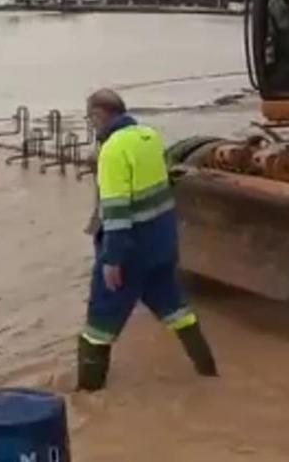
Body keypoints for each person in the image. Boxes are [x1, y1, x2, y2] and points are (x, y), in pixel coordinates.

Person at [77, 88, 218, 391]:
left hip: (129, 254)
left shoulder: (112, 150)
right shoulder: (148, 136)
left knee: (98, 326)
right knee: (175, 310)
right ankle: (208, 372)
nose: (91, 125)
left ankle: (87, 397)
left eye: (90, 118)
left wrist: (112, 260)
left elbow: (116, 213)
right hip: (162, 247)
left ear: (100, 115)